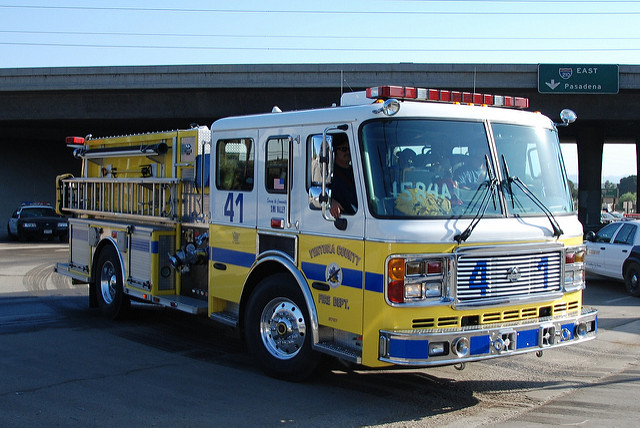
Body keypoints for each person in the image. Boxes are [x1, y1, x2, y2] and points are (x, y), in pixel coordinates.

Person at [329, 135, 357, 218]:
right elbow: (317, 191)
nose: (348, 152)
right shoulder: (327, 173)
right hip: (343, 217)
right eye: (344, 149)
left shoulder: (358, 171)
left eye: (349, 149)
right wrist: (330, 201)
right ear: (334, 151)